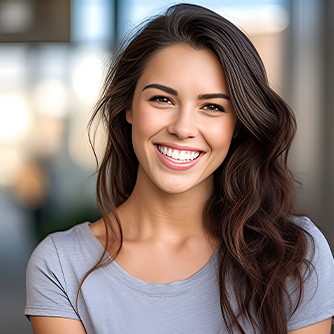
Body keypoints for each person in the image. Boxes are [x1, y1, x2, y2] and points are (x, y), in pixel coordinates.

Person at [25, 3, 334, 334]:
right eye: (162, 99)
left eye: (212, 107)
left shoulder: (294, 254)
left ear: (237, 125)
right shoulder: (60, 265)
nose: (184, 127)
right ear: (128, 106)